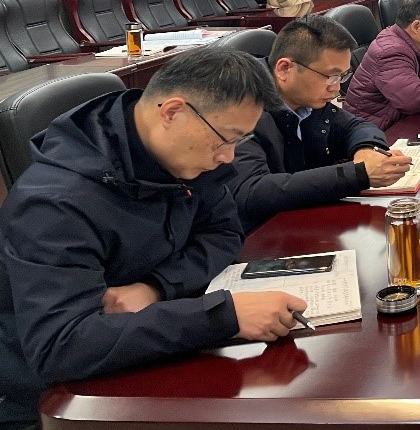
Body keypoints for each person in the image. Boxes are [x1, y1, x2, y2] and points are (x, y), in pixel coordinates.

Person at [0, 49, 306, 429]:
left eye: (239, 141)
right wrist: (221, 317)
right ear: (172, 112)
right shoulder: (54, 203)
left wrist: (156, 287)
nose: (228, 157)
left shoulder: (184, 154)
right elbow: (61, 345)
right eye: (225, 140)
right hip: (57, 400)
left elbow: (224, 231)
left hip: (145, 348)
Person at [228, 16, 413, 233]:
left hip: (301, 223)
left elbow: (356, 126)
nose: (336, 88)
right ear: (284, 68)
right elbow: (251, 192)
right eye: (331, 76)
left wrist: (366, 150)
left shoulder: (308, 98)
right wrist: (356, 175)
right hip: (258, 237)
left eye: (342, 76)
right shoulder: (240, 107)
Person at [343, 0, 420, 130]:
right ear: (417, 27)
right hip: (373, 131)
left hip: (400, 121)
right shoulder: (391, 51)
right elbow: (414, 101)